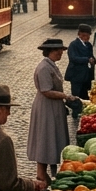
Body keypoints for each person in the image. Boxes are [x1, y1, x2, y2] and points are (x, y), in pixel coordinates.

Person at [27, 38, 74, 182]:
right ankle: (41, 173)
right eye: (57, 50)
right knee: (45, 137)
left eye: (61, 50)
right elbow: (46, 91)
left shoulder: (51, 65)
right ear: (49, 52)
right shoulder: (44, 68)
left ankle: (51, 171)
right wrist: (65, 96)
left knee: (52, 137)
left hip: (53, 107)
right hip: (46, 107)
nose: (61, 52)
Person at [64, 25, 95, 127]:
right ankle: (75, 112)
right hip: (76, 74)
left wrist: (93, 60)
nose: (86, 38)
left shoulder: (89, 45)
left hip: (86, 74)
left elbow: (91, 56)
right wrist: (86, 59)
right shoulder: (74, 45)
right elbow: (73, 58)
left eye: (87, 36)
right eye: (84, 35)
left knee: (84, 93)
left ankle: (84, 111)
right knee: (76, 94)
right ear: (79, 34)